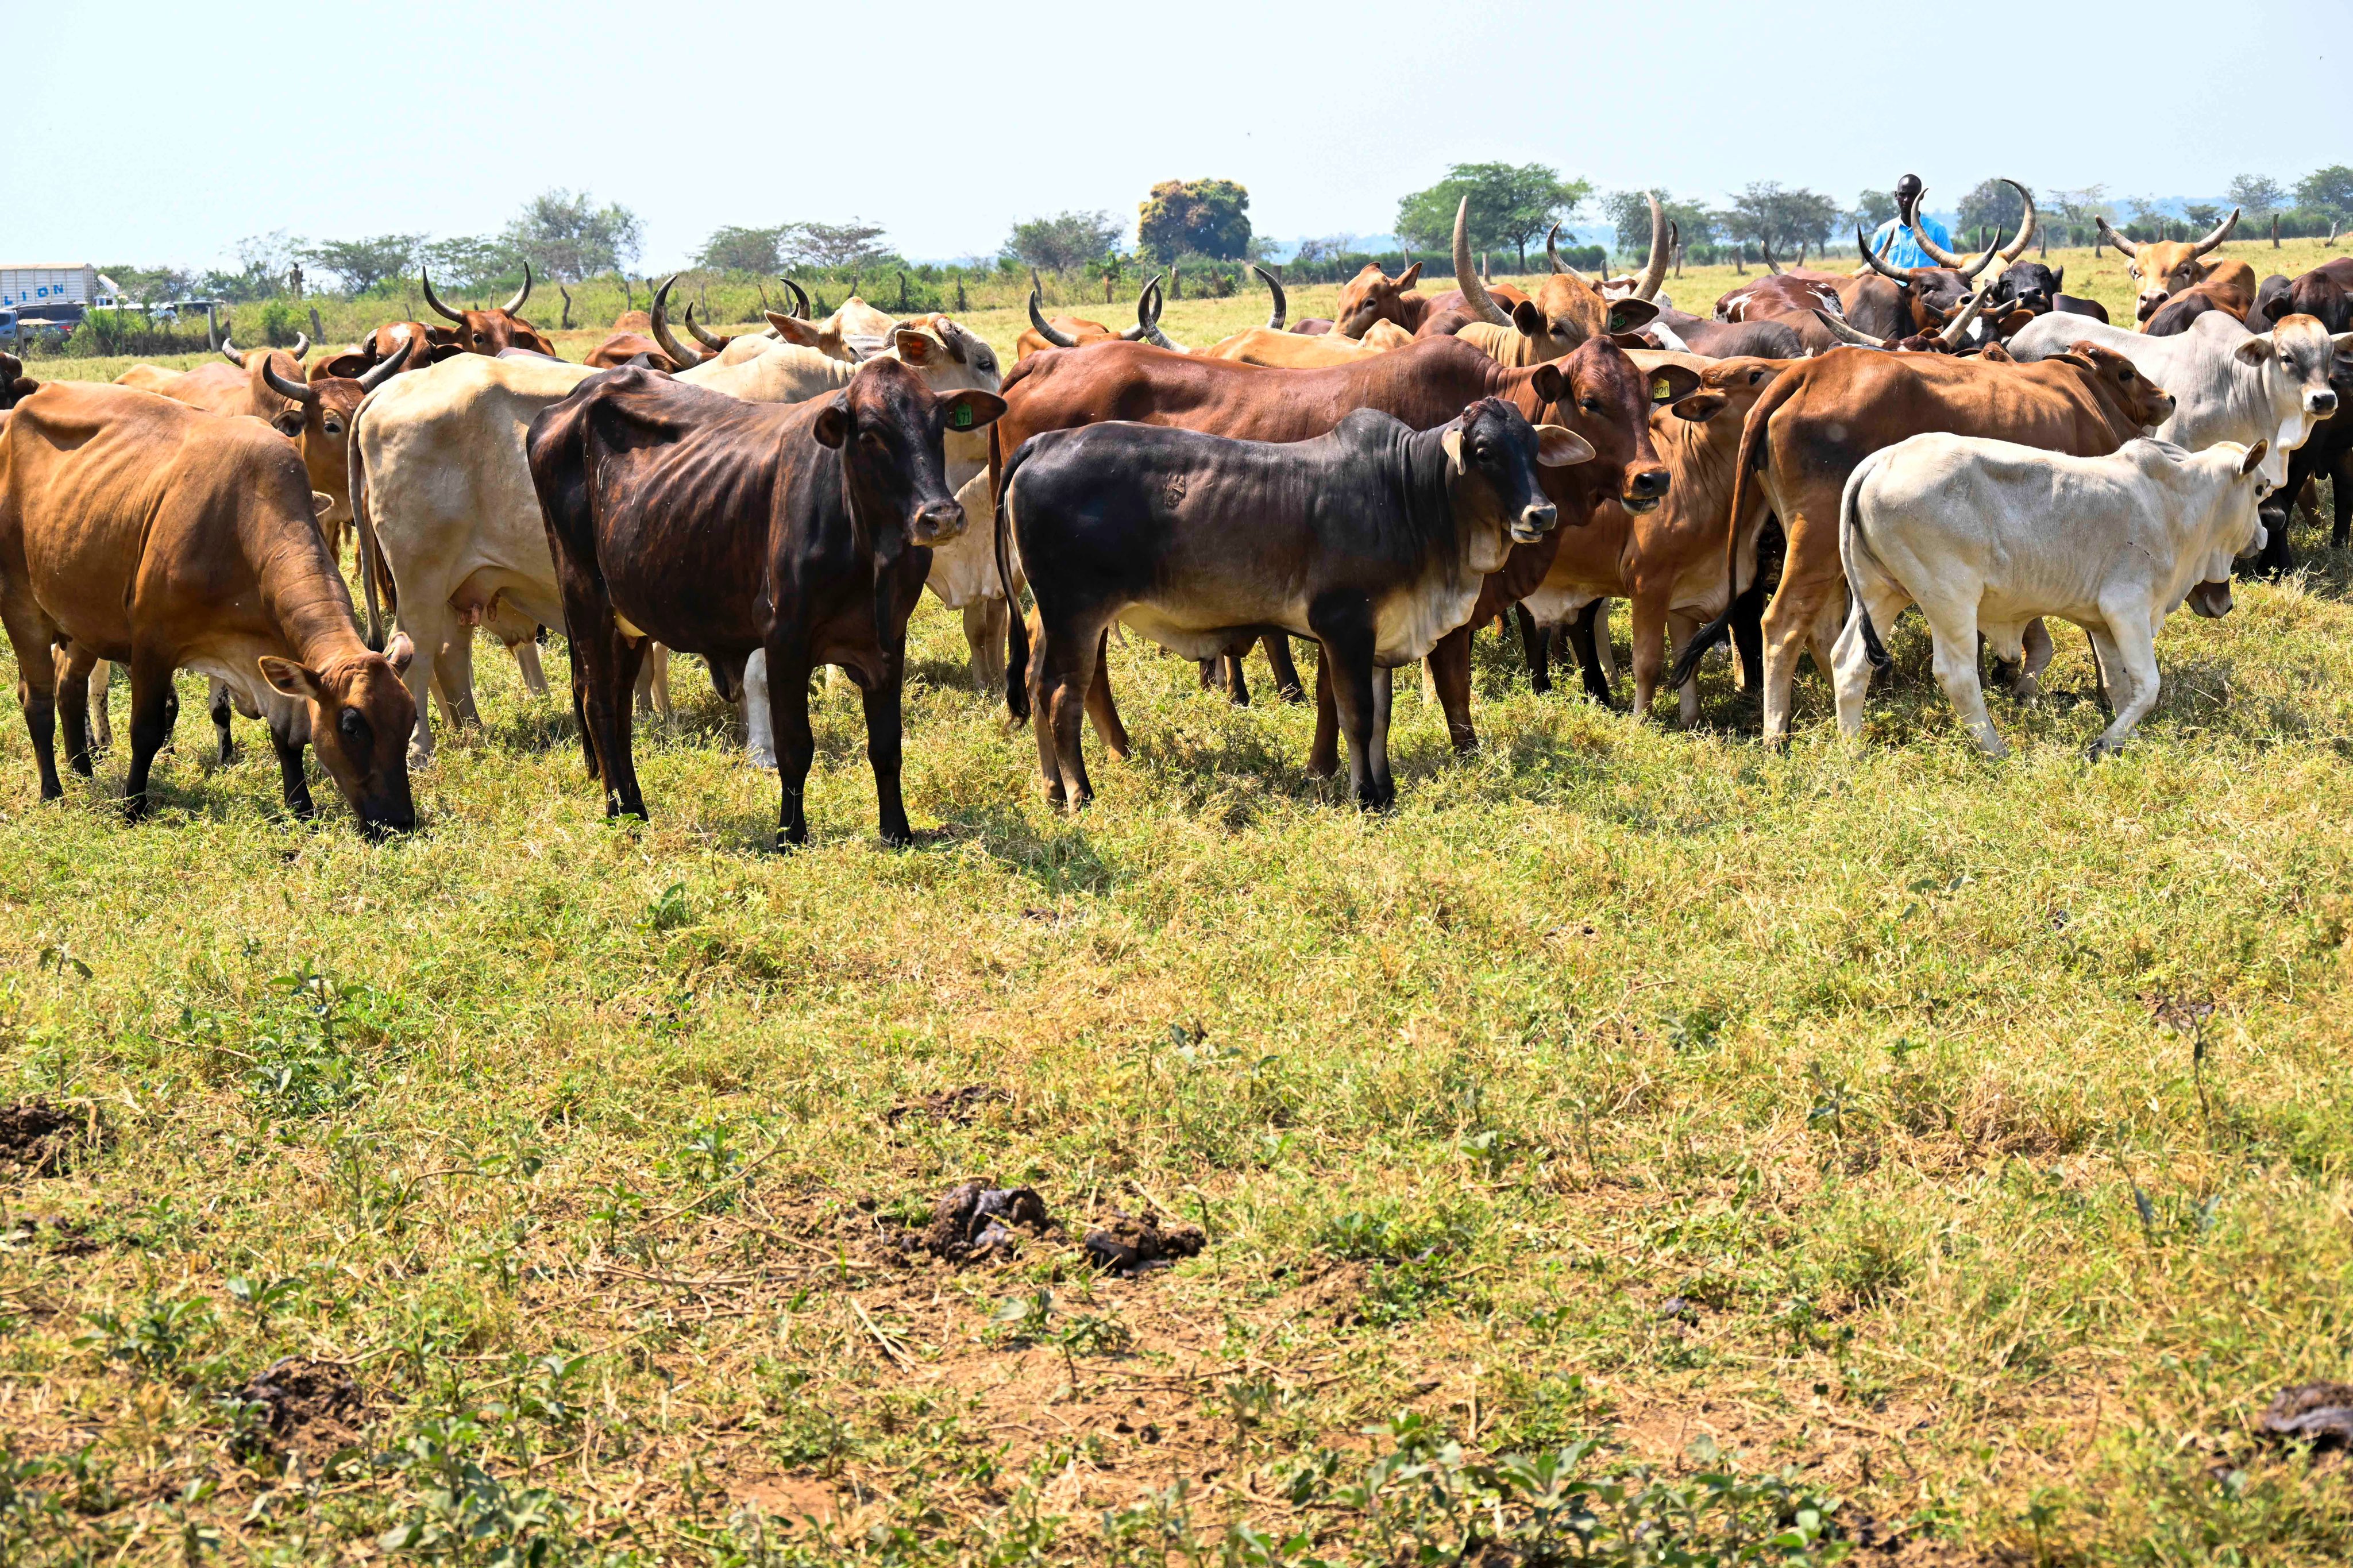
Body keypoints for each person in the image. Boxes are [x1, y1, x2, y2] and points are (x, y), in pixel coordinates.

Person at [1867, 173, 1958, 269]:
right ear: (1896, 195)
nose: (1906, 200)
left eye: (1912, 195)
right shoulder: (1884, 231)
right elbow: (1868, 265)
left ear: (1921, 196)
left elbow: (1950, 267)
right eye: (1902, 194)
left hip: (1927, 284)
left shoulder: (1937, 229)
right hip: (1893, 284)